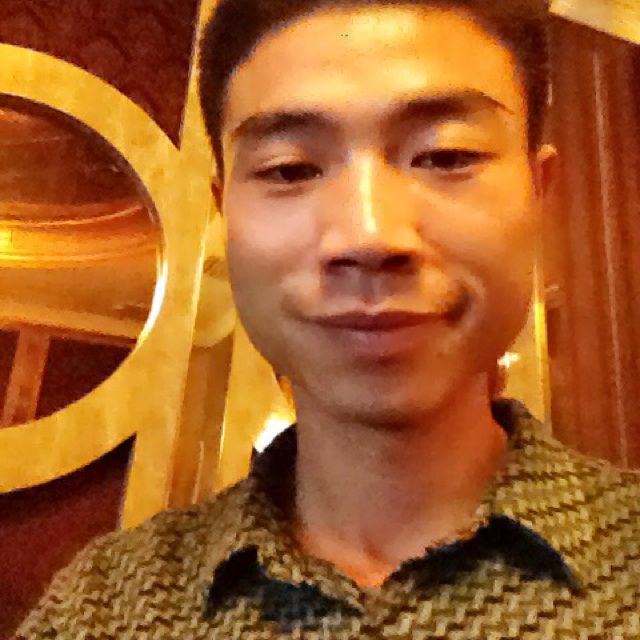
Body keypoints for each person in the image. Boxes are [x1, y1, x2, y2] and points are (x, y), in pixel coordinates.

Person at [17, 0, 640, 637]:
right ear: (223, 214)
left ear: (539, 193)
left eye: (445, 156)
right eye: (290, 169)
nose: (368, 235)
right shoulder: (103, 609)